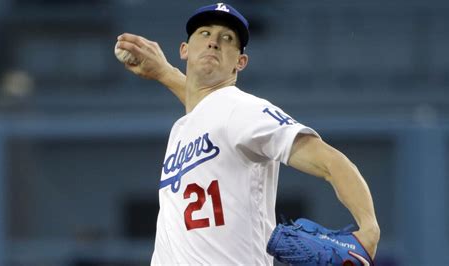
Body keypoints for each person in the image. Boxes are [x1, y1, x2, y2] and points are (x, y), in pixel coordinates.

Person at [115, 3, 380, 265]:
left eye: (227, 38)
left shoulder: (244, 109)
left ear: (240, 62)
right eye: (204, 33)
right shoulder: (187, 125)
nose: (214, 42)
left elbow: (330, 161)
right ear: (184, 50)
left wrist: (369, 230)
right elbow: (204, 106)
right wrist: (164, 72)